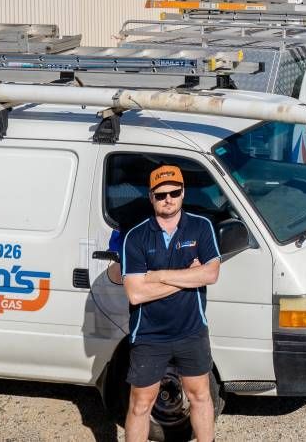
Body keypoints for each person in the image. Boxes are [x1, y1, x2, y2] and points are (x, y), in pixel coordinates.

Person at [122, 165, 221, 442]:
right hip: (149, 336)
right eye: (161, 194)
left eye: (174, 192)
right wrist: (189, 276)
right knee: (141, 404)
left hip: (192, 330)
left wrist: (158, 276)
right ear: (151, 197)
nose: (168, 199)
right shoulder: (136, 236)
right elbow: (136, 294)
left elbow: (210, 274)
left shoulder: (201, 227)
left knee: (200, 396)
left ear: (183, 193)